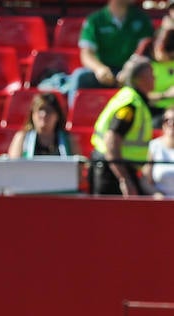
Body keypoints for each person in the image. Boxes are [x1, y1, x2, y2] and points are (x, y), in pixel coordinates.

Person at [67, 0, 154, 106]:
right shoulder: (95, 20)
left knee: (146, 76)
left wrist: (129, 69)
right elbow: (86, 54)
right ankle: (72, 116)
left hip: (132, 71)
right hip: (104, 72)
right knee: (79, 76)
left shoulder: (142, 19)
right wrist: (99, 69)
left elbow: (144, 51)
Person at [90, 55, 155, 197]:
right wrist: (124, 179)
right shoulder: (130, 105)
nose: (155, 78)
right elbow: (111, 141)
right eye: (151, 75)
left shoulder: (134, 98)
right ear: (139, 79)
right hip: (111, 172)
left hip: (116, 168)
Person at [7, 92, 80, 159]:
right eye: (39, 110)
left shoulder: (69, 139)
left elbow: (77, 168)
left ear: (57, 116)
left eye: (49, 111)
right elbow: (14, 167)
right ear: (32, 114)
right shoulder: (22, 138)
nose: (44, 115)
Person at [142, 107, 174, 198]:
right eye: (167, 120)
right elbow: (145, 180)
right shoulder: (154, 146)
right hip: (161, 205)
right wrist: (156, 194)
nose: (171, 124)